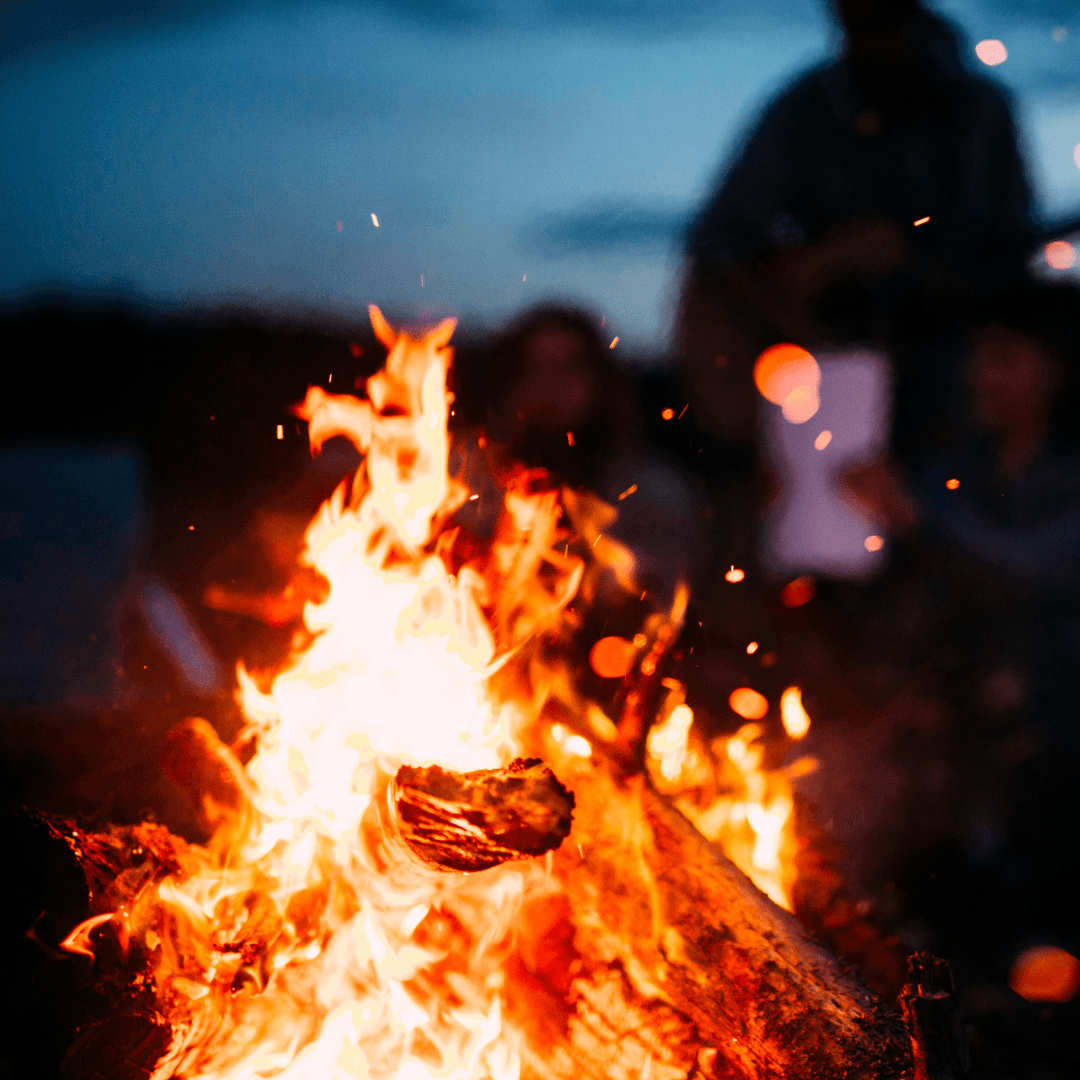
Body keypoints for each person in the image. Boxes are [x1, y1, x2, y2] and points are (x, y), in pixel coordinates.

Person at [676, 0, 1038, 462]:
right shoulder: (809, 107)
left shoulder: (976, 111)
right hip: (830, 348)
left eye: (881, 22)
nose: (874, 42)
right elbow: (717, 239)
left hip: (954, 337)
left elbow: (1006, 243)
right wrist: (813, 284)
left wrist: (929, 273)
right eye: (858, 23)